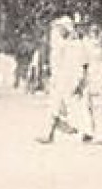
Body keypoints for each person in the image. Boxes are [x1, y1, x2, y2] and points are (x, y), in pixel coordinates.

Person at [37, 16, 97, 144]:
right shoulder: (60, 44)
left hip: (74, 80)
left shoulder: (77, 44)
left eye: (61, 28)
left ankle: (86, 132)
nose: (58, 31)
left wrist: (80, 81)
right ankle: (50, 134)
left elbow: (83, 64)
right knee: (55, 106)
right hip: (61, 80)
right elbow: (56, 63)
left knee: (82, 107)